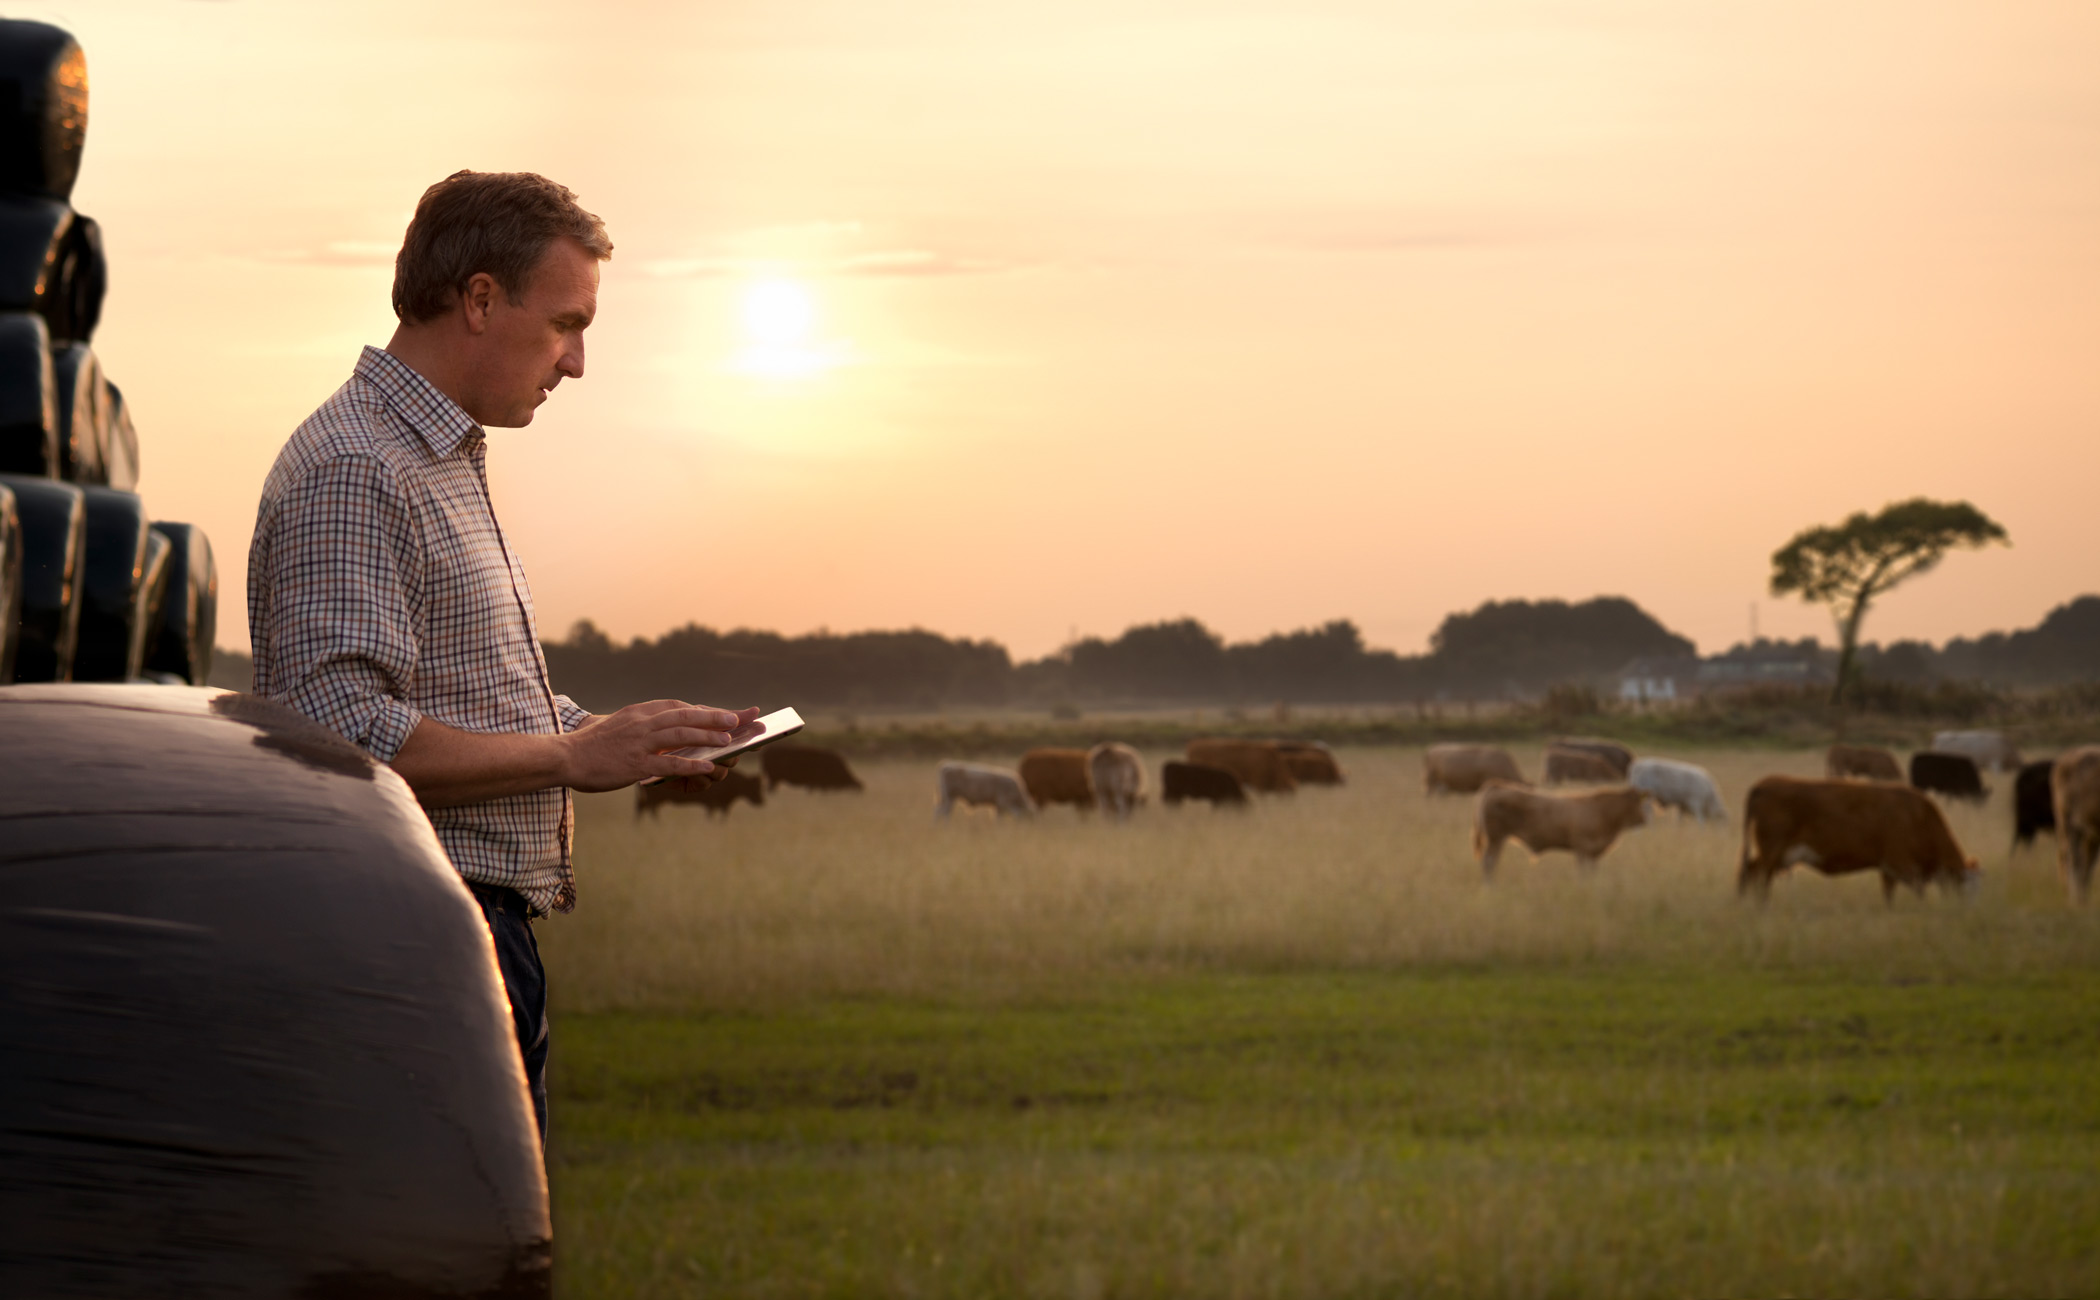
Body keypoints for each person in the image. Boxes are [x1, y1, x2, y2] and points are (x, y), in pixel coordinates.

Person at [247, 170, 753, 1143]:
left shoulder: (428, 460)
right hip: (413, 941)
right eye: (567, 324)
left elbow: (444, 703)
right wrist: (566, 759)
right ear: (480, 299)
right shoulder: (360, 468)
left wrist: (616, 737)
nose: (576, 363)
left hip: (454, 938)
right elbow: (338, 739)